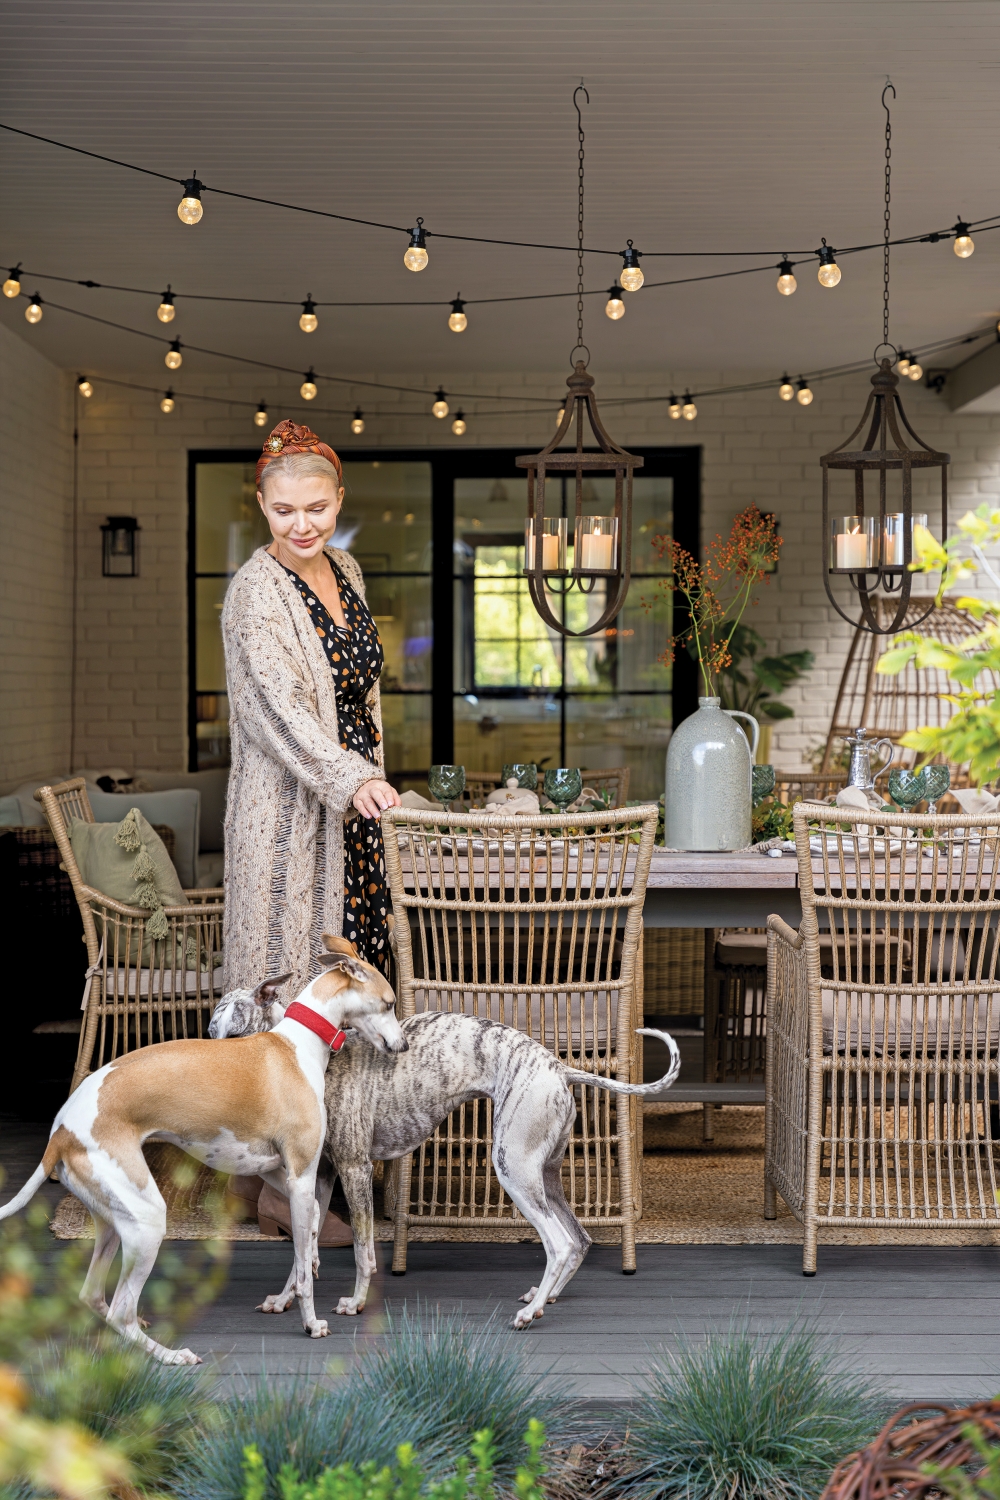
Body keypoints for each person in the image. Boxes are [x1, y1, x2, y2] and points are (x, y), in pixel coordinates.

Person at [221, 419, 401, 1000]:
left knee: (361, 976)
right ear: (262, 506)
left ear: (339, 499)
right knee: (286, 979)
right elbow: (277, 712)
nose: (302, 526)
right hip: (287, 814)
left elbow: (360, 689)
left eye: (317, 508)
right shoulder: (254, 592)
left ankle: (355, 1071)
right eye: (284, 511)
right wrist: (352, 778)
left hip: (355, 808)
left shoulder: (347, 570)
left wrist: (365, 779)